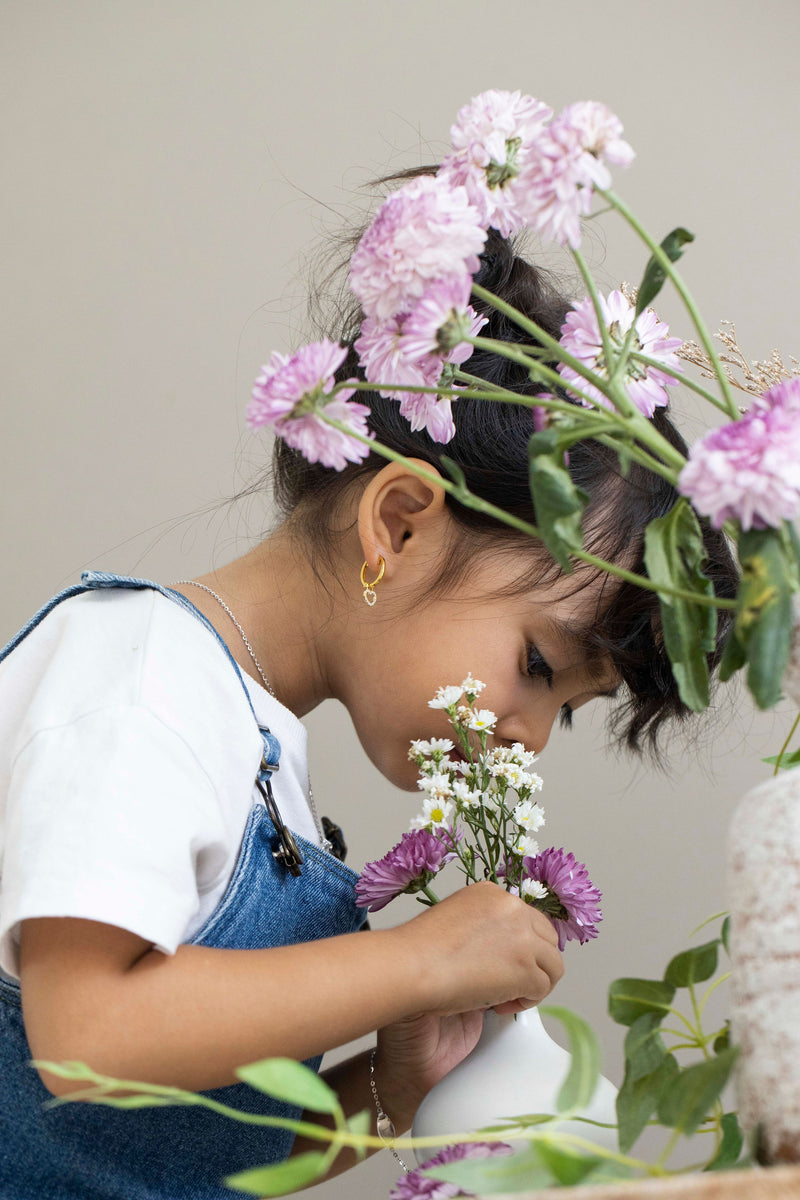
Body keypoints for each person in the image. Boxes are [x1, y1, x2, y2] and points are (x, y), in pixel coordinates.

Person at [0, 218, 737, 1197]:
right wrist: (419, 962)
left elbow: (194, 1156)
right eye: (535, 662)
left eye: (564, 709)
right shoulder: (136, 681)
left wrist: (389, 1089)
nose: (523, 738)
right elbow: (88, 1038)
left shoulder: (258, 757)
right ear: (396, 525)